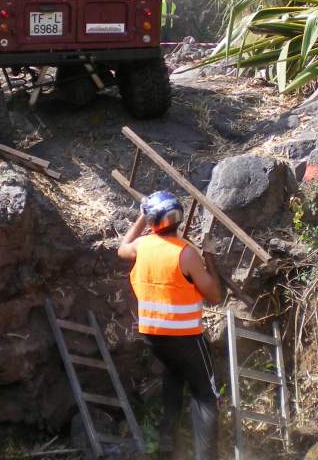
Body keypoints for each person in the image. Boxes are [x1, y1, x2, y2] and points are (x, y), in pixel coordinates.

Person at [118, 191, 221, 460]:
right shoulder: (185, 254)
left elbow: (122, 247)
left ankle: (166, 446)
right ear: (178, 218)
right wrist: (209, 255)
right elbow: (215, 295)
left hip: (154, 337)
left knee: (173, 377)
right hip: (185, 337)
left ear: (152, 221)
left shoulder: (141, 246)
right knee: (206, 396)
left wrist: (141, 218)